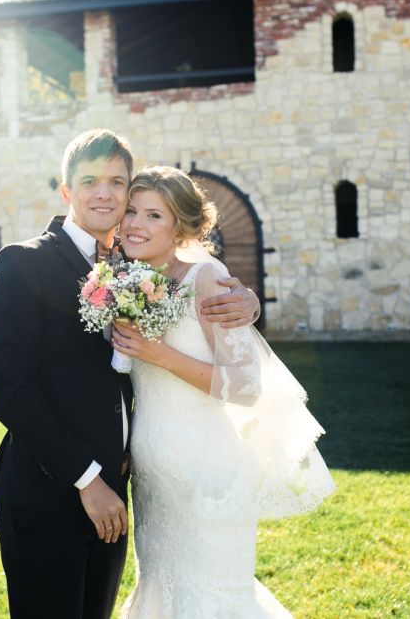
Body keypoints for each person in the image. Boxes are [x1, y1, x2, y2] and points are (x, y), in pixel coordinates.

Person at [0, 130, 261, 619]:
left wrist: (248, 303)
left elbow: (191, 288)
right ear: (67, 191)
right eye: (90, 180)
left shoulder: (135, 263)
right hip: (51, 493)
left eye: (117, 182)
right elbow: (12, 391)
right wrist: (87, 481)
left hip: (126, 492)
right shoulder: (23, 263)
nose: (105, 194)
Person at [112, 166, 336, 618]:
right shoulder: (124, 279)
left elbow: (246, 386)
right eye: (132, 211)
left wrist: (158, 354)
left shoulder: (207, 277)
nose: (136, 223)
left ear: (181, 226)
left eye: (155, 215)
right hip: (153, 473)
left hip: (207, 470)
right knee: (163, 586)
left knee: (215, 595)